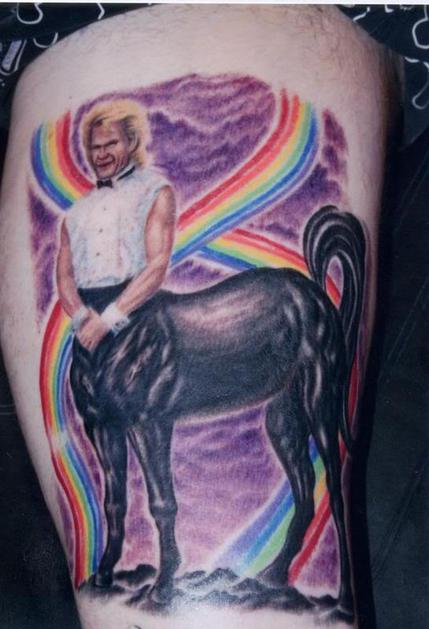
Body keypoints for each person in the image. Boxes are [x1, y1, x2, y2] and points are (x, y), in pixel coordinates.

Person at [57, 100, 176, 351]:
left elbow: (157, 264)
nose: (101, 155)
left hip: (136, 319)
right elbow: (65, 276)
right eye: (95, 147)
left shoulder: (155, 192)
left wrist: (109, 320)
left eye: (110, 144)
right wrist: (82, 317)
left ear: (131, 142)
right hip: (87, 325)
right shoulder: (75, 213)